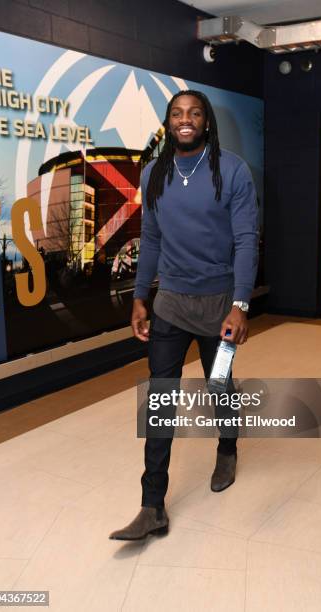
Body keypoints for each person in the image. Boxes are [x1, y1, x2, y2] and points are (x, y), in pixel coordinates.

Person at [109, 90, 259, 541]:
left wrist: (241, 304)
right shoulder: (154, 173)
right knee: (160, 399)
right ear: (169, 122)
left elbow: (247, 239)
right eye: (177, 114)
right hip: (170, 302)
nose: (185, 120)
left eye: (194, 113)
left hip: (219, 305)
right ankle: (151, 504)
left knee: (220, 384)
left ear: (206, 122)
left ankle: (228, 449)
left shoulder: (231, 170)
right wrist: (140, 295)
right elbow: (151, 239)